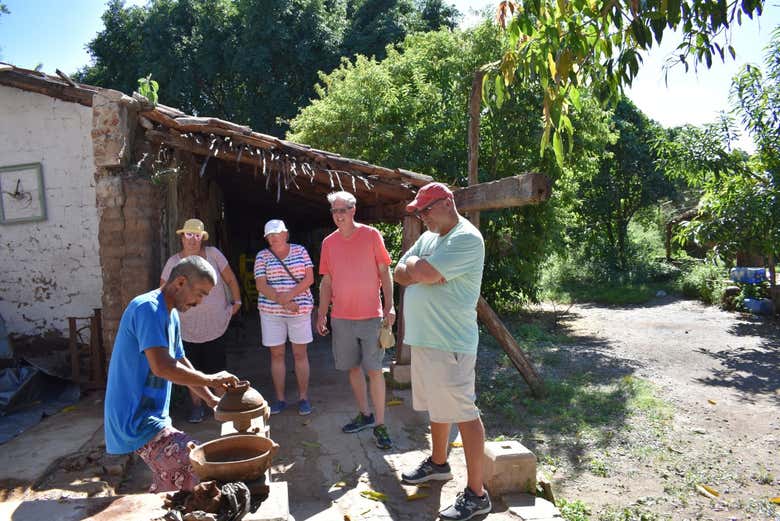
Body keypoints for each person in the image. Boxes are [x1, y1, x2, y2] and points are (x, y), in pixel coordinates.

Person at [394, 182, 491, 521]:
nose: (422, 218)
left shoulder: (466, 238)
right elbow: (401, 272)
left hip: (451, 343)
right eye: (418, 213)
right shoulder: (431, 238)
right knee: (438, 405)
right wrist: (419, 268)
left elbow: (424, 271)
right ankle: (438, 462)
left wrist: (420, 268)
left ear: (447, 202)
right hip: (427, 340)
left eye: (426, 210)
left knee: (464, 411)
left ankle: (477, 495)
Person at [104, 256, 239, 493]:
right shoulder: (147, 308)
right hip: (134, 419)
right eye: (199, 294)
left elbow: (179, 360)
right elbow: (162, 367)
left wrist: (211, 399)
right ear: (180, 283)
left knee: (177, 480)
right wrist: (211, 378)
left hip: (153, 418)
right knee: (196, 464)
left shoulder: (171, 313)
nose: (200, 301)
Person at [316, 191, 396, 450]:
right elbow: (326, 280)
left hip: (371, 316)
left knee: (374, 370)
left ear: (353, 210)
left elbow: (385, 272)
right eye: (334, 211)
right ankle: (365, 414)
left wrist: (390, 306)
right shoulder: (329, 243)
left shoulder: (371, 235)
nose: (338, 215)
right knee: (352, 368)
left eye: (343, 210)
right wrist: (321, 312)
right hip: (341, 318)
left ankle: (380, 425)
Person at [160, 218, 242, 423]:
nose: (192, 240)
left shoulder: (213, 255)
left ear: (202, 238)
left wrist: (237, 301)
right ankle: (197, 407)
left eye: (197, 236)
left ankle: (221, 407)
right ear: (182, 237)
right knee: (191, 368)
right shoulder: (174, 262)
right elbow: (163, 289)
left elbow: (230, 278)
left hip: (214, 323)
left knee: (216, 365)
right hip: (187, 326)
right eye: (189, 235)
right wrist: (164, 316)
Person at [254, 219, 315, 416]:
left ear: (286, 234)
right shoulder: (262, 256)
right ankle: (280, 399)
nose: (274, 237)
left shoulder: (300, 251)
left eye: (277, 233)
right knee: (277, 355)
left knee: (300, 354)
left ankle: (303, 397)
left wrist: (288, 298)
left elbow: (309, 279)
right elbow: (261, 285)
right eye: (270, 235)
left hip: (299, 309)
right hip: (271, 312)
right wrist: (285, 303)